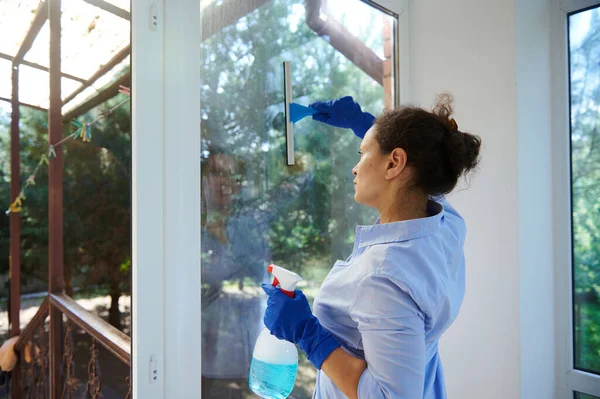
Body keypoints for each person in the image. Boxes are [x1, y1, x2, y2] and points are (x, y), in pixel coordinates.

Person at [261, 94, 481, 399]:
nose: (355, 168)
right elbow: (423, 183)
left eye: (362, 153)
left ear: (394, 163)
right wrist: (367, 126)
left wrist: (304, 331)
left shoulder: (384, 277)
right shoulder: (446, 228)